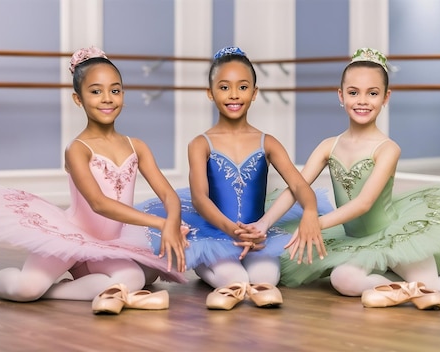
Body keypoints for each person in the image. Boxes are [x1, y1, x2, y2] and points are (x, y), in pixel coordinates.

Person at [246, 48, 440, 310]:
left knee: (434, 290)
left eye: (372, 93)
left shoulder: (387, 148)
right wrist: (263, 223)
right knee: (343, 280)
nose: (362, 101)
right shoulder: (327, 146)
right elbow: (296, 188)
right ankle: (403, 288)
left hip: (395, 235)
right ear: (340, 95)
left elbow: (363, 203)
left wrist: (315, 223)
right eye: (354, 92)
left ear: (386, 97)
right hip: (355, 241)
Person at [0, 47, 189, 315]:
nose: (107, 99)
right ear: (78, 99)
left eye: (115, 90)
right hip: (70, 236)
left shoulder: (137, 146)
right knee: (26, 289)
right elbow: (99, 204)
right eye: (96, 91)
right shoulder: (78, 149)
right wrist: (161, 223)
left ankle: (52, 291)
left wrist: (174, 222)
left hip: (109, 243)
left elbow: (169, 196)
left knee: (133, 278)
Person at [139, 46, 326, 310]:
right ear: (210, 93)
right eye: (224, 87)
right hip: (215, 232)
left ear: (254, 92)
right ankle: (212, 268)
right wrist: (231, 229)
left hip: (256, 233)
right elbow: (200, 198)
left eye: (242, 87)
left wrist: (310, 210)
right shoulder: (200, 144)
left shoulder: (267, 142)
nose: (234, 95)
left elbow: (298, 184)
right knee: (235, 279)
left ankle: (237, 278)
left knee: (266, 279)